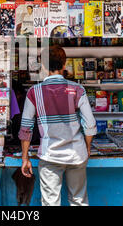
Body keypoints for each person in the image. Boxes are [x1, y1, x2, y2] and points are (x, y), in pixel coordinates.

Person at [19, 45, 97, 206]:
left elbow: (26, 127)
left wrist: (25, 157)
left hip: (50, 155)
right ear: (64, 64)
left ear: (43, 65)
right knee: (79, 200)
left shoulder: (34, 92)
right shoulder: (78, 90)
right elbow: (90, 124)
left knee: (50, 202)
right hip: (77, 154)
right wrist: (87, 147)